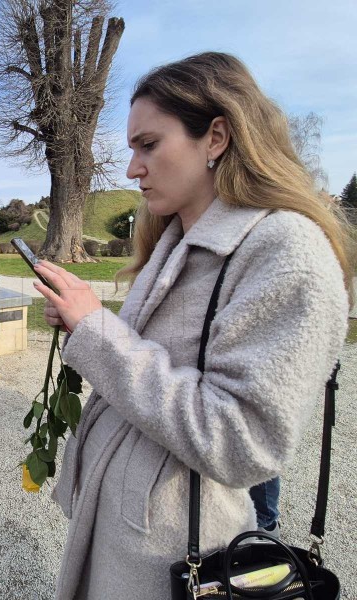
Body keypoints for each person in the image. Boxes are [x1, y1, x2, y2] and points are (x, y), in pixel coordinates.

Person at [33, 52, 352, 599]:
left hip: (175, 554)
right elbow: (156, 360)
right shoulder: (175, 238)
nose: (133, 169)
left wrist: (98, 334)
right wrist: (83, 322)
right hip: (130, 530)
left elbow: (242, 439)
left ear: (217, 137)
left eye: (148, 145)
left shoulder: (287, 251)